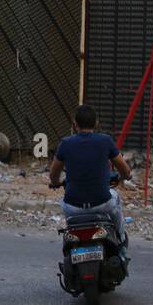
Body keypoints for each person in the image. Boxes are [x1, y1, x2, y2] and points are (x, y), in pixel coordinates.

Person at [49, 104, 133, 256]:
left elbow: (54, 173)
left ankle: (72, 244)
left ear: (75, 124)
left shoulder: (66, 143)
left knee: (66, 209)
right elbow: (124, 168)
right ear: (96, 123)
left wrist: (55, 183)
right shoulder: (105, 141)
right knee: (116, 198)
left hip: (72, 206)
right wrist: (125, 176)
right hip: (102, 204)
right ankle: (121, 241)